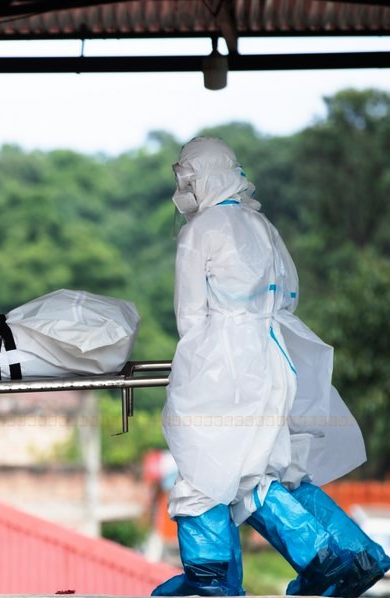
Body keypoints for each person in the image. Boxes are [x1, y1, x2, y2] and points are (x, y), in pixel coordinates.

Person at [154, 136, 389, 596]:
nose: (184, 189)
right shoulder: (261, 225)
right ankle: (350, 554)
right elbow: (288, 297)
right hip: (271, 357)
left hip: (220, 363)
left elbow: (189, 316)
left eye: (189, 178)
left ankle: (220, 582)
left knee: (206, 471)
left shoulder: (200, 231)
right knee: (263, 466)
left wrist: (201, 361)